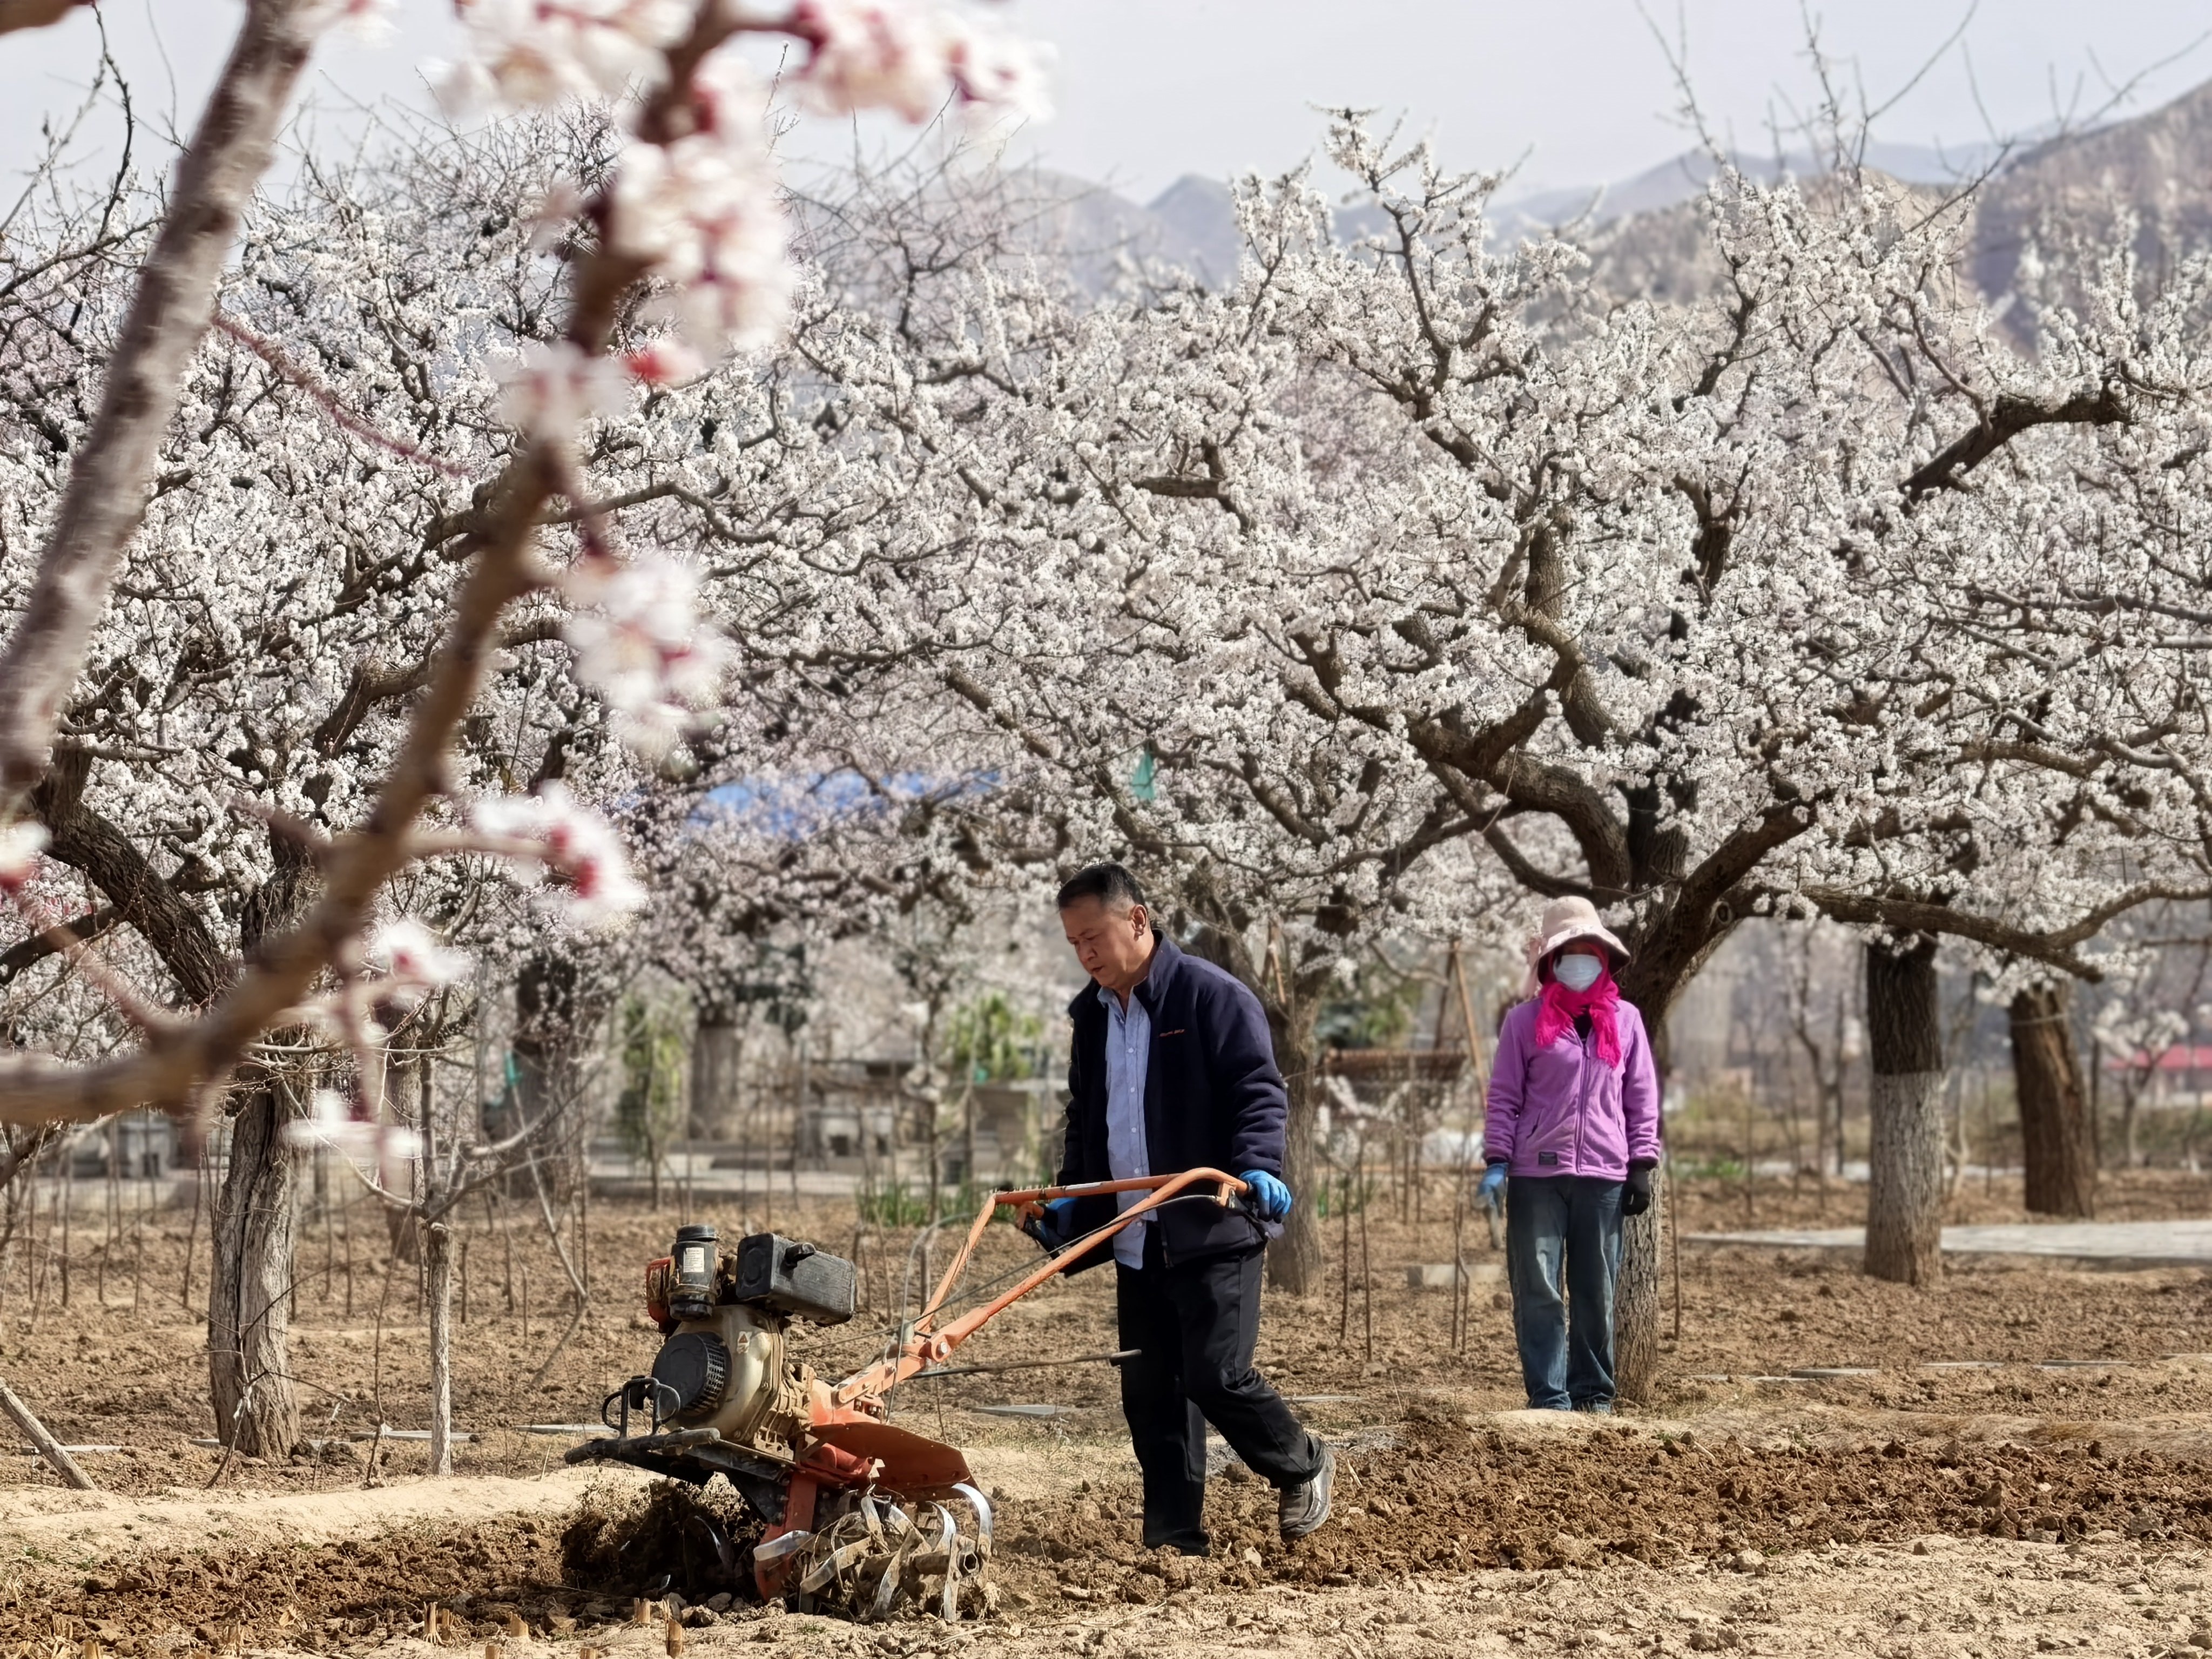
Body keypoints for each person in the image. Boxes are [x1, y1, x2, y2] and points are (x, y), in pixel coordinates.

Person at [1028, 861, 1334, 1554]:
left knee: (1214, 1374)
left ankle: (1303, 1463)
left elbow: (1257, 1089)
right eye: (1074, 942)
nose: (1086, 953)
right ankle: (1175, 1542)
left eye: (1094, 936)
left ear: (1137, 920)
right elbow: (1089, 1121)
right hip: (1137, 1234)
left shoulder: (1210, 997)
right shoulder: (1092, 1016)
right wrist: (1072, 1210)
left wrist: (1256, 1165)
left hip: (1211, 1224)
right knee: (1151, 1397)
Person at [1479, 895, 1661, 1414]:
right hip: (1536, 1175)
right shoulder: (1523, 1021)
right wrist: (1497, 1161)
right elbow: (1505, 1096)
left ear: (1604, 958)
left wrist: (1642, 1164)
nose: (1580, 960)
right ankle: (1549, 1396)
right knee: (1539, 1289)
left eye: (1590, 951)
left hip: (1605, 1174)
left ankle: (1594, 1394)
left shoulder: (1626, 1021)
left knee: (1595, 1290)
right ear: (1551, 963)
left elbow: (1641, 1095)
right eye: (1568, 952)